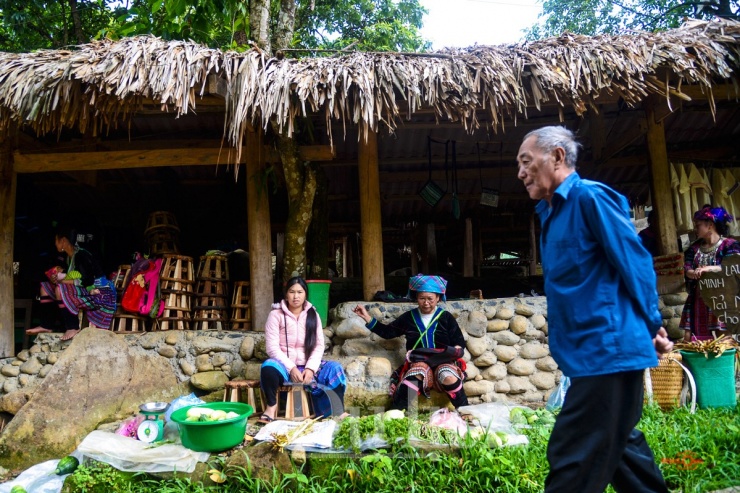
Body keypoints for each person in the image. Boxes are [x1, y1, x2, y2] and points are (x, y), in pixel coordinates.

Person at [516, 126, 674, 493]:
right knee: (620, 448)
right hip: (589, 354)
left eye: (526, 161)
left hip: (609, 349)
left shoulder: (590, 199)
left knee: (573, 450)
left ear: (557, 156)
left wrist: (653, 324)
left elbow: (634, 262)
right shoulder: (550, 214)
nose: (520, 172)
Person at [353, 274, 469, 411]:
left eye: (430, 299)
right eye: (422, 298)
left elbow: (459, 343)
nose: (426, 303)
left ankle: (466, 411)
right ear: (416, 298)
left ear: (438, 298)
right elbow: (388, 332)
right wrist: (366, 317)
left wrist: (455, 350)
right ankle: (395, 414)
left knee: (448, 376)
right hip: (419, 361)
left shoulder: (446, 318)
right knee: (415, 376)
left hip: (443, 361)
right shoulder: (409, 317)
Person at [259, 276, 347, 423]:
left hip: (308, 367)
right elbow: (272, 348)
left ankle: (338, 411)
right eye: (292, 292)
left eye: (300, 292)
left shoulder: (313, 315)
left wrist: (311, 368)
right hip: (285, 367)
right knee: (268, 366)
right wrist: (291, 368)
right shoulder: (275, 315)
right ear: (286, 294)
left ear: (305, 294)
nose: (295, 296)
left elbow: (319, 345)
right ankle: (271, 408)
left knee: (335, 368)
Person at [26, 227, 117, 341]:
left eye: (56, 240)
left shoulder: (81, 255)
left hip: (99, 292)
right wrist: (58, 278)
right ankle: (46, 325)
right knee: (45, 286)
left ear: (63, 241)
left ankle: (72, 326)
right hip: (86, 290)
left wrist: (61, 281)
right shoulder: (70, 258)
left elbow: (87, 281)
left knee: (60, 289)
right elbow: (73, 278)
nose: (55, 244)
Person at [679, 205, 740, 341]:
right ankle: (698, 362)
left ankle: (723, 361)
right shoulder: (694, 248)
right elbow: (687, 268)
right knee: (690, 336)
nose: (695, 229)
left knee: (723, 335)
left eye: (698, 225)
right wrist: (692, 273)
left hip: (721, 297)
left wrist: (709, 268)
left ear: (710, 225)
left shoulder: (730, 245)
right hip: (699, 296)